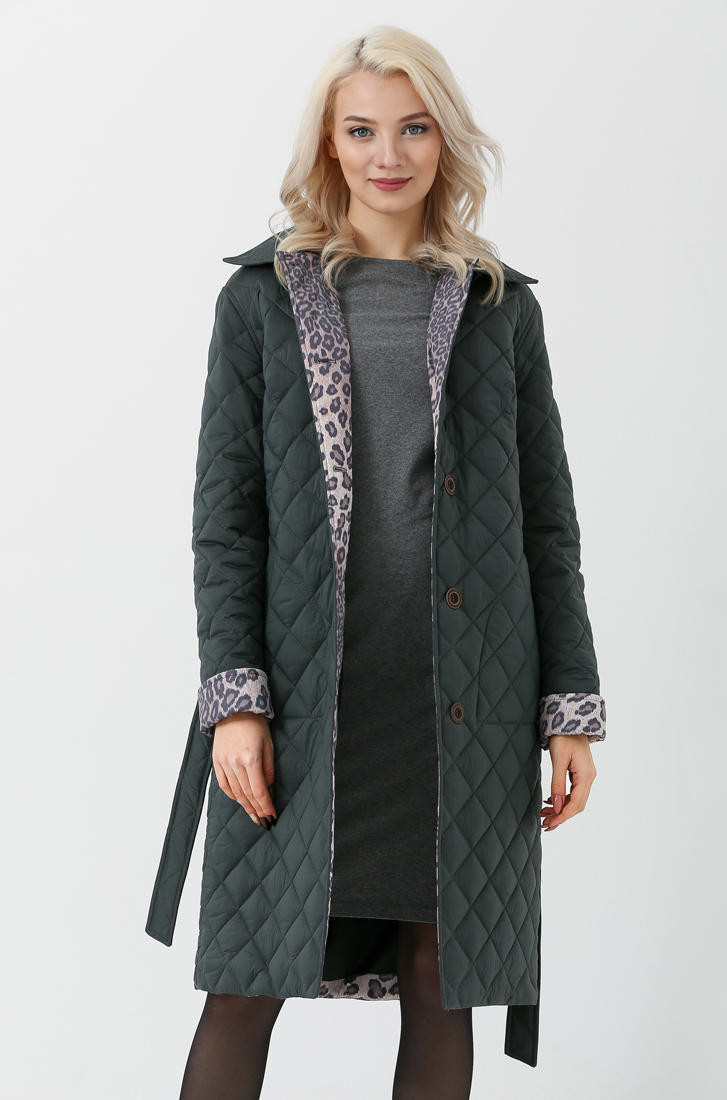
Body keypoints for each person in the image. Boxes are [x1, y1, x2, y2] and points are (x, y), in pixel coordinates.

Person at [146, 24, 606, 1099]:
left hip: (465, 702)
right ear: (329, 143)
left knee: (443, 978)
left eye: (412, 128)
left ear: (445, 141)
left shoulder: (499, 307)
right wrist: (237, 698)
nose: (387, 154)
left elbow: (548, 524)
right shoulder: (262, 299)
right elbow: (227, 519)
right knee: (245, 982)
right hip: (310, 698)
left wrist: (570, 706)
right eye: (360, 130)